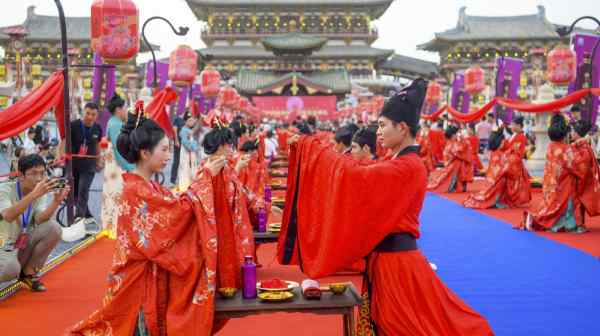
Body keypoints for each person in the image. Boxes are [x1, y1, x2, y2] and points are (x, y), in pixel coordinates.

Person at [278, 79, 493, 336]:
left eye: (382, 125)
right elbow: (361, 174)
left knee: (403, 327)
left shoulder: (407, 166)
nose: (378, 132)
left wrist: (310, 147)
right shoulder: (400, 163)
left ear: (402, 128)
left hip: (397, 266)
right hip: (389, 262)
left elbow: (354, 175)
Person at [70, 114, 228, 335]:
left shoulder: (146, 186)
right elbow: (179, 211)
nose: (168, 155)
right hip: (138, 281)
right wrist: (204, 178)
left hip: (139, 275)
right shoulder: (138, 190)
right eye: (164, 150)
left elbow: (176, 206)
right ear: (145, 153)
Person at [0, 154, 68, 291]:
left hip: (20, 243)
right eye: (33, 173)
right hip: (3, 244)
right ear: (20, 175)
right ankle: (15, 268)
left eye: (42, 173)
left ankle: (28, 273)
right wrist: (34, 195)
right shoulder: (4, 190)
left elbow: (39, 219)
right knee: (11, 269)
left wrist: (56, 202)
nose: (39, 178)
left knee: (54, 228)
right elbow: (7, 215)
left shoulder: (38, 192)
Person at [200, 124, 256, 290]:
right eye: (229, 145)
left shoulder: (223, 166)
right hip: (216, 225)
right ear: (221, 146)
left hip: (227, 223)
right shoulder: (208, 169)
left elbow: (237, 189)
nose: (232, 148)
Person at [521, 115, 585, 232]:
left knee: (552, 203)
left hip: (551, 181)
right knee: (566, 204)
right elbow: (575, 166)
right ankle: (566, 224)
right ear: (565, 134)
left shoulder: (551, 146)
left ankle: (544, 219)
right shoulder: (566, 149)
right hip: (564, 183)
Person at [463, 127, 529, 209]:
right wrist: (515, 155)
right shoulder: (502, 155)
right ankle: (499, 200)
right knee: (515, 175)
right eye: (502, 141)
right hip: (497, 182)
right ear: (500, 142)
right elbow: (510, 170)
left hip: (491, 181)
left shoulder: (494, 153)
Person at [101, 94, 134, 238]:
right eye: (125, 108)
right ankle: (116, 228)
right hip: (116, 166)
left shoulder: (112, 122)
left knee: (112, 194)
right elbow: (119, 148)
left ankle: (111, 226)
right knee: (117, 194)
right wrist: (129, 167)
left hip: (113, 166)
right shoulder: (116, 124)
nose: (126, 111)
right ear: (119, 109)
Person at [65, 102, 102, 225]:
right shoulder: (73, 125)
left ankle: (79, 218)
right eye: (88, 113)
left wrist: (99, 160)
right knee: (74, 193)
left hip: (89, 166)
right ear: (83, 112)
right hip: (73, 165)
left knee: (83, 190)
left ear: (97, 115)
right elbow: (64, 141)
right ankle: (88, 215)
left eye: (93, 114)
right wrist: (60, 156)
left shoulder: (97, 128)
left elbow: (97, 145)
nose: (90, 116)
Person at [427, 125, 474, 193]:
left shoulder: (454, 142)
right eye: (457, 133)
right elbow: (457, 152)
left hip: (455, 162)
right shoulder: (453, 143)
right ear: (453, 135)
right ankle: (455, 186)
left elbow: (461, 151)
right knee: (458, 164)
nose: (458, 134)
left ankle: (459, 185)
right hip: (454, 164)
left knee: (460, 163)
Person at [570, 120, 600, 223]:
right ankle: (578, 222)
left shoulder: (583, 148)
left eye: (573, 131)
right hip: (579, 178)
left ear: (578, 134)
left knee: (578, 200)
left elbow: (582, 166)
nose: (571, 133)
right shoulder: (579, 145)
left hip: (580, 179)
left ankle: (579, 223)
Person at [177, 110, 200, 191]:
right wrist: (194, 146)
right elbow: (186, 144)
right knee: (186, 169)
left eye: (192, 120)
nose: (191, 122)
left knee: (191, 168)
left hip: (191, 154)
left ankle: (189, 187)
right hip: (187, 154)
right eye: (189, 120)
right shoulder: (184, 131)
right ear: (185, 121)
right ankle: (185, 188)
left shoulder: (189, 131)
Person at [169, 112, 185, 185]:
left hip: (186, 145)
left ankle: (182, 180)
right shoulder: (177, 119)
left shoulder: (187, 119)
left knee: (184, 162)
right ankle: (172, 180)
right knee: (176, 161)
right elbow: (174, 129)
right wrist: (176, 140)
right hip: (178, 143)